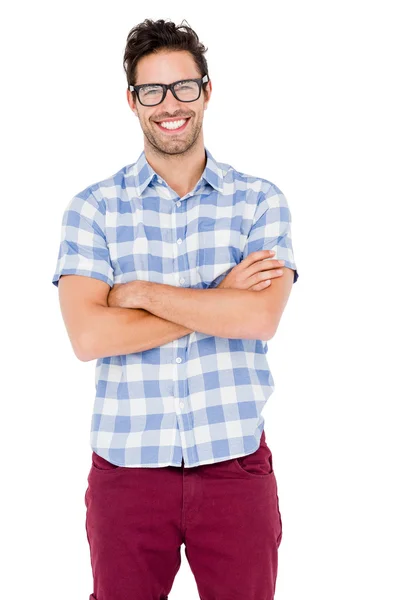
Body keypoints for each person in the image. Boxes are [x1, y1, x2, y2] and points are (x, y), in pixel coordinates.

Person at [51, 17, 299, 600]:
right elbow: (88, 336)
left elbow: (259, 318)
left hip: (235, 465)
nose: (170, 105)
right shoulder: (93, 210)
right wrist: (221, 297)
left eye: (184, 87)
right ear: (132, 101)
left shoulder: (260, 202)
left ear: (207, 91)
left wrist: (134, 294)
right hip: (127, 471)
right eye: (152, 91)